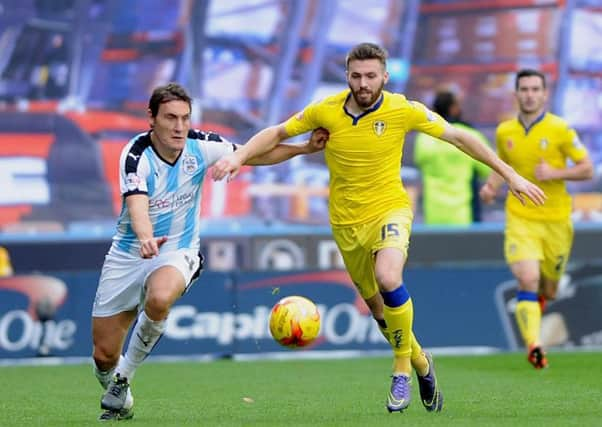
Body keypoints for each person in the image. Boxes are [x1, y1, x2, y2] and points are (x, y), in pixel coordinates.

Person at [212, 43, 545, 413]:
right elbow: (276, 133)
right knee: (378, 310)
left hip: (390, 210)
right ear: (347, 76)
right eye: (356, 75)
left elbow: (459, 136)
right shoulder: (326, 110)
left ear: (384, 76)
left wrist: (510, 174)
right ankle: (421, 363)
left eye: (371, 76)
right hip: (346, 223)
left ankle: (401, 369)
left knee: (389, 278)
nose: (363, 83)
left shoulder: (402, 109)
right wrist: (238, 157)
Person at [91, 82, 328, 421]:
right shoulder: (135, 154)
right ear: (151, 118)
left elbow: (253, 155)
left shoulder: (202, 145)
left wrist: (303, 148)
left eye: (185, 118)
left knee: (159, 299)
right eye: (170, 118)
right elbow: (136, 203)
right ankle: (119, 389)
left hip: (178, 250)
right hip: (129, 253)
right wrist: (145, 237)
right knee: (103, 356)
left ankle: (123, 379)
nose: (179, 126)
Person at [480, 69, 593, 369]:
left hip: (556, 220)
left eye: (535, 89)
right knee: (526, 277)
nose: (529, 94)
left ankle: (540, 307)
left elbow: (587, 169)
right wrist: (492, 186)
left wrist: (555, 173)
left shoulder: (561, 129)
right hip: (520, 217)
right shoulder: (505, 131)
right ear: (516, 94)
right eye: (524, 89)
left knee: (549, 288)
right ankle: (534, 344)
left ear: (544, 94)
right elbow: (501, 163)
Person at [414, 91, 491, 225]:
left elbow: (420, 163)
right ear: (454, 108)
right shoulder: (470, 135)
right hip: (464, 213)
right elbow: (487, 170)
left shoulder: (423, 138)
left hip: (433, 213)